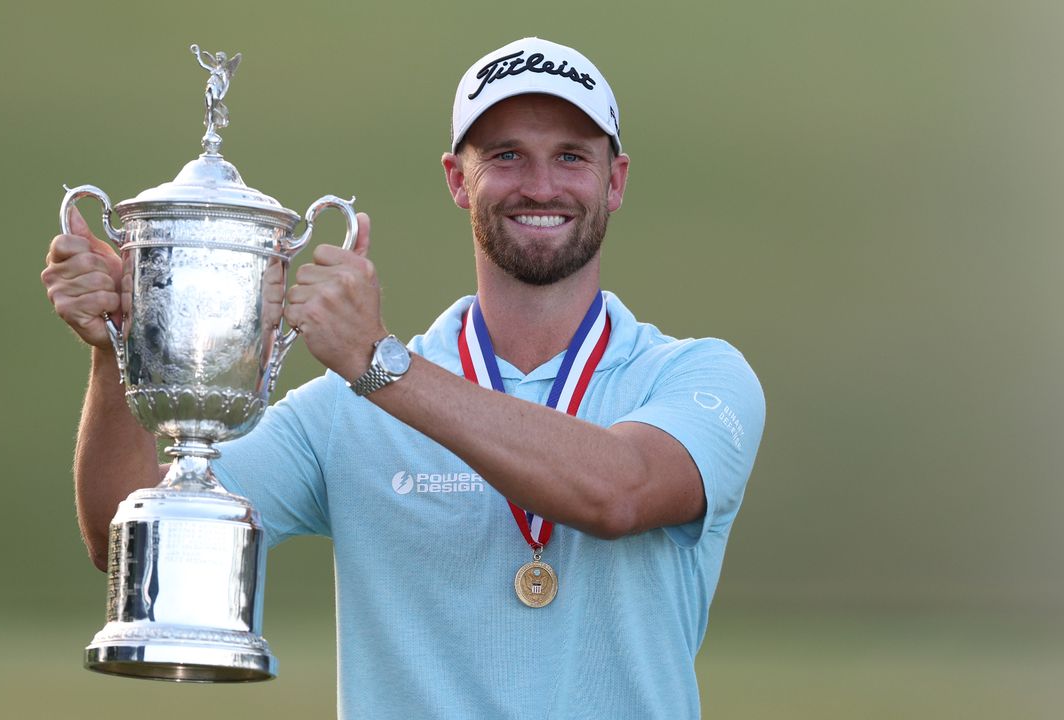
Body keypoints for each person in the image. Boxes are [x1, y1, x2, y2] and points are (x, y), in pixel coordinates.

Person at [42, 37, 764, 720]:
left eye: (572, 157)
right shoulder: (341, 411)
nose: (541, 185)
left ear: (616, 181)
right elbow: (120, 537)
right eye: (507, 156)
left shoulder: (699, 377)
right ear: (458, 179)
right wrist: (117, 347)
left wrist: (380, 365)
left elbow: (619, 490)